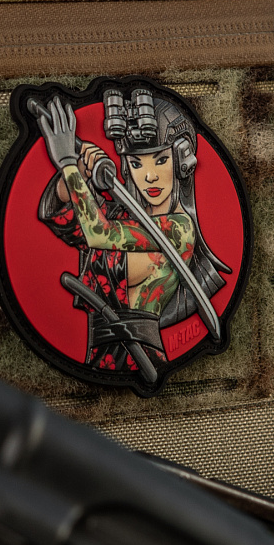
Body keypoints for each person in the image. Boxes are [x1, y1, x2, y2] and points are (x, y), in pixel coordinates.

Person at [34, 88, 228, 383]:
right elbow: (67, 220)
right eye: (137, 163)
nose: (149, 176)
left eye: (160, 160)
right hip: (97, 357)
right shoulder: (121, 217)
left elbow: (99, 233)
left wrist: (68, 164)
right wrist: (78, 173)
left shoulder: (179, 228)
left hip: (141, 357)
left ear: (182, 160)